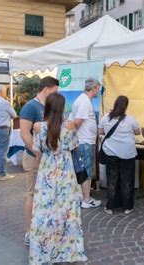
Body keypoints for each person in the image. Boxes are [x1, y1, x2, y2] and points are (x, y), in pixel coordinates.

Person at [29, 93, 87, 264]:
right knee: (67, 211)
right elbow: (74, 145)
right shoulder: (69, 126)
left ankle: (44, 250)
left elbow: (37, 149)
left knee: (44, 210)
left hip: (46, 171)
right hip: (66, 172)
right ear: (62, 108)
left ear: (47, 107)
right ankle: (67, 250)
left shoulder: (38, 127)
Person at [20, 76, 59, 246]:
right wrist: (37, 153)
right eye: (54, 91)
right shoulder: (30, 107)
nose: (55, 95)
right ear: (46, 89)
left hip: (49, 158)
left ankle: (43, 229)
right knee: (32, 194)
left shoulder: (48, 107)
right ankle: (29, 232)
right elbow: (24, 133)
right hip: (35, 158)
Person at [99, 96, 141, 215]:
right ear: (126, 106)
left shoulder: (105, 118)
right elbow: (138, 132)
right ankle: (127, 207)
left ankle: (110, 207)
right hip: (127, 153)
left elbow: (100, 131)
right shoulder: (130, 119)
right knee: (126, 180)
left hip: (110, 152)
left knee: (112, 180)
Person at [70, 78, 101, 209]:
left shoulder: (83, 100)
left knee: (85, 169)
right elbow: (77, 122)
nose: (98, 91)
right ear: (94, 88)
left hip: (85, 140)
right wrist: (73, 136)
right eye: (98, 88)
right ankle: (86, 199)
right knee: (86, 170)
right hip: (85, 141)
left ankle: (85, 197)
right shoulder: (84, 101)